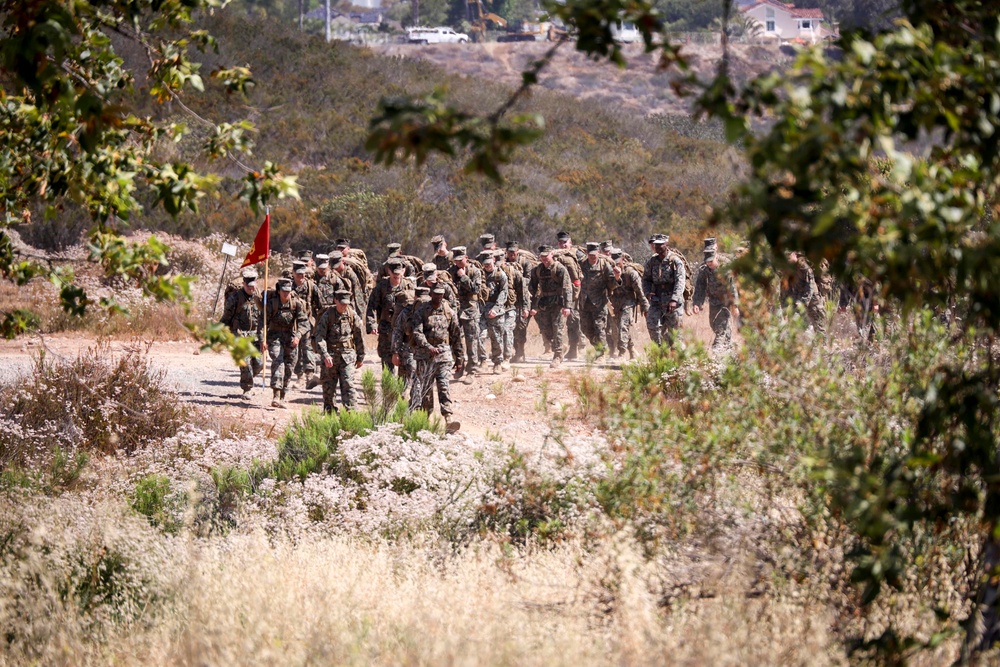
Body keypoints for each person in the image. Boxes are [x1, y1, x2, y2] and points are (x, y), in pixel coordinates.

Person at [411, 286, 464, 424]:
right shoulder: (422, 311)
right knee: (426, 390)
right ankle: (425, 421)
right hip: (425, 356)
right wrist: (428, 347)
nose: (438, 297)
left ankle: (448, 418)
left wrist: (459, 358)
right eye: (436, 294)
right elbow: (417, 332)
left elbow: (456, 335)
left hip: (443, 355)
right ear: (431, 294)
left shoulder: (449, 312)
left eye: (441, 295)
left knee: (443, 385)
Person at [314, 289, 365, 413]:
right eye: (341, 303)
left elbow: (358, 336)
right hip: (330, 356)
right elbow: (319, 337)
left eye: (346, 303)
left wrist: (360, 356)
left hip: (347, 355)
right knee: (328, 387)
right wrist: (325, 355)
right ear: (335, 300)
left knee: (348, 383)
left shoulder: (352, 315)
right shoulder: (328, 315)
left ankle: (351, 413)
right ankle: (330, 412)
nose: (344, 306)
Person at [262, 278, 308, 408]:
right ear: (279, 290)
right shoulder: (272, 304)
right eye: (283, 291)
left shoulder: (296, 304)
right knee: (279, 362)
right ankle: (276, 394)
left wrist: (298, 336)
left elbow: (304, 323)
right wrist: (263, 340)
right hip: (274, 337)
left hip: (290, 337)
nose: (286, 294)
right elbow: (263, 323)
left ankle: (282, 395)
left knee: (289, 366)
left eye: (288, 291)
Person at [220, 267, 264, 397]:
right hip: (239, 334)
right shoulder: (234, 298)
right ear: (244, 284)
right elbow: (226, 317)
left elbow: (265, 315)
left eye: (253, 285)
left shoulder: (260, 297)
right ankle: (247, 389)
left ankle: (249, 376)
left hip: (255, 335)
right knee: (245, 363)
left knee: (259, 364)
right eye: (248, 286)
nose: (251, 288)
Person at [528, 245, 573, 368]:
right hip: (544, 303)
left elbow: (567, 288)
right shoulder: (537, 270)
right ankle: (560, 347)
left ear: (551, 254)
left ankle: (557, 356)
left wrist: (567, 306)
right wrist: (532, 306)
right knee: (546, 330)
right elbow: (531, 288)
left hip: (557, 303)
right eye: (542, 256)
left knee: (557, 329)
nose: (544, 259)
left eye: (546, 256)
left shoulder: (559, 269)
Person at [692, 238, 740, 353]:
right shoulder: (704, 269)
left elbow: (732, 286)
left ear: (716, 257)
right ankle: (730, 351)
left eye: (711, 261)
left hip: (726, 302)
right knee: (715, 325)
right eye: (707, 261)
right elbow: (700, 287)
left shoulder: (725, 267)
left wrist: (735, 305)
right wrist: (697, 303)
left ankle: (716, 352)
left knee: (721, 329)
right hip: (714, 302)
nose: (709, 263)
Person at [366, 260, 414, 370]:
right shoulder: (381, 287)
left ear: (403, 271)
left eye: (399, 273)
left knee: (404, 361)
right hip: (386, 327)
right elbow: (371, 306)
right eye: (394, 273)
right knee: (387, 360)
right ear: (389, 271)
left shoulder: (409, 286)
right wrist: (372, 324)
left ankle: (402, 386)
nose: (397, 276)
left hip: (404, 329)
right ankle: (389, 385)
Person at [642, 234, 686, 346]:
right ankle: (660, 352)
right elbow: (646, 279)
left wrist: (674, 299)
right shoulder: (652, 262)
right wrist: (647, 293)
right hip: (657, 300)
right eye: (656, 245)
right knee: (652, 325)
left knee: (675, 333)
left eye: (660, 245)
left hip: (672, 301)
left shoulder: (675, 261)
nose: (657, 247)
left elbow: (680, 282)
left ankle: (678, 359)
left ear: (666, 245)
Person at [447, 246, 483, 377]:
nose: (457, 263)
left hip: (470, 309)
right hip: (455, 310)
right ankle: (459, 365)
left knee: (471, 339)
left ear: (466, 258)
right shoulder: (450, 272)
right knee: (455, 339)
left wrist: (463, 277)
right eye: (455, 261)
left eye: (460, 260)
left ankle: (472, 369)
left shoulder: (475, 271)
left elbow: (476, 290)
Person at [609, 248, 649, 360]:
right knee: (619, 329)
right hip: (614, 304)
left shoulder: (631, 273)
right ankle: (631, 350)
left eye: (617, 262)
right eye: (613, 263)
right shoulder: (609, 272)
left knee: (623, 326)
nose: (616, 265)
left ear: (622, 260)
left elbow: (640, 291)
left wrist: (645, 307)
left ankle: (622, 353)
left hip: (628, 303)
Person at [579, 241, 616, 358]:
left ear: (599, 253)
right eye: (590, 254)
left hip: (599, 302)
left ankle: (600, 354)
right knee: (586, 329)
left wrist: (617, 278)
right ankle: (600, 347)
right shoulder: (581, 264)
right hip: (584, 302)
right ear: (587, 253)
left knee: (599, 328)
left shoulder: (604, 265)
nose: (592, 257)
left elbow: (612, 283)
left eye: (594, 254)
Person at [554, 231, 585, 359]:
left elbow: (586, 269)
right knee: (560, 322)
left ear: (570, 242)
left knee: (574, 321)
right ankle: (566, 347)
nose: (563, 245)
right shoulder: (555, 255)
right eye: (561, 243)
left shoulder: (577, 254)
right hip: (560, 294)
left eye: (565, 242)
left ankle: (575, 348)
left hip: (575, 294)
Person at [504, 241, 535, 363]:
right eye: (510, 251)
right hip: (508, 299)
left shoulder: (525, 263)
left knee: (521, 327)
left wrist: (515, 277)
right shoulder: (503, 263)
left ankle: (520, 352)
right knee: (508, 327)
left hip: (522, 299)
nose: (512, 254)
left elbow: (528, 280)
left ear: (517, 251)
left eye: (514, 251)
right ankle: (512, 351)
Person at [392, 286, 427, 396]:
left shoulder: (431, 311)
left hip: (424, 350)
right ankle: (400, 401)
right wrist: (395, 352)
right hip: (407, 349)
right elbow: (397, 331)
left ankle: (415, 403)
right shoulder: (407, 312)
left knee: (418, 377)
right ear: (415, 297)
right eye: (420, 298)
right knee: (404, 378)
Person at [781, 251, 826, 334]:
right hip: (797, 296)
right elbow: (785, 288)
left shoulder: (803, 267)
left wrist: (803, 303)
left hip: (812, 298)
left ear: (794, 255)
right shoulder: (787, 268)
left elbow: (810, 287)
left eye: (789, 256)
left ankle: (822, 345)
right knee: (792, 324)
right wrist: (784, 306)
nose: (787, 259)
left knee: (818, 323)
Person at [480, 254, 511, 372]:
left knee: (496, 337)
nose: (487, 266)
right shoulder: (481, 274)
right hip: (482, 310)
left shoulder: (500, 275)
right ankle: (482, 360)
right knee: (479, 335)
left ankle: (497, 362)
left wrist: (496, 309)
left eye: (489, 263)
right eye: (485, 264)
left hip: (495, 310)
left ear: (493, 261)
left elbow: (504, 292)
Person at [291, 261, 318, 387]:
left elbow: (320, 305)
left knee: (307, 348)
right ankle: (300, 376)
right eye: (298, 274)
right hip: (291, 325)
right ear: (293, 273)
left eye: (303, 274)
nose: (301, 277)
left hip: (307, 323)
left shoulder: (311, 286)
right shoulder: (287, 286)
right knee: (296, 350)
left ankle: (310, 376)